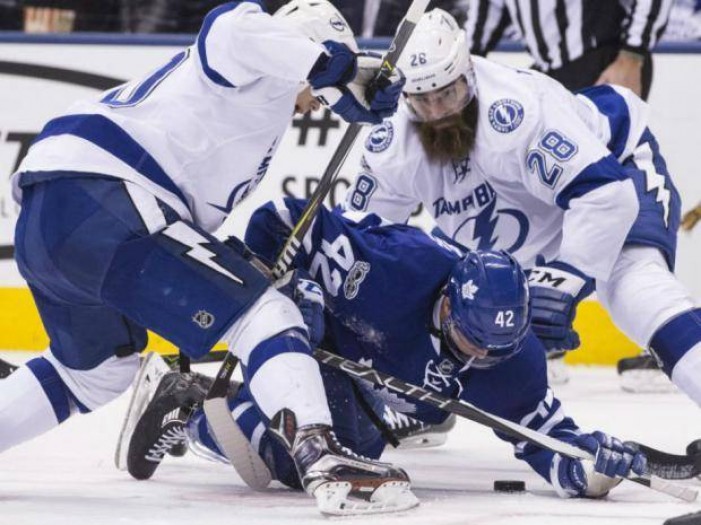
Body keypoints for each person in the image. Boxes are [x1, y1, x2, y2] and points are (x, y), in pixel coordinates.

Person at [0, 0, 412, 516]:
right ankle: (324, 459)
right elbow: (231, 25)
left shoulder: (246, 105)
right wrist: (333, 68)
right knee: (266, 313)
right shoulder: (248, 68)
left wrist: (349, 75)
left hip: (54, 217)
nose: (320, 105)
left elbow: (176, 220)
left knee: (94, 372)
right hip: (104, 196)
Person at [122, 198, 647, 507]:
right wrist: (282, 290)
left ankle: (210, 404)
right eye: (470, 341)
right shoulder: (393, 269)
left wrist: (590, 469)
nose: (476, 358)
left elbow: (548, 439)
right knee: (291, 462)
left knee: (356, 456)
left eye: (491, 353)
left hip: (370, 375)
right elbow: (284, 217)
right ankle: (189, 404)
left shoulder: (514, 362)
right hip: (323, 333)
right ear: (447, 305)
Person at [343, 9, 701, 401]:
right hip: (526, 211)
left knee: (633, 289)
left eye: (448, 93)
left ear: (469, 75)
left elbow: (605, 195)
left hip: (617, 170)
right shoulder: (391, 139)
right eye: (422, 101)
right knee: (434, 290)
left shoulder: (518, 111)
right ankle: (425, 404)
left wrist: (565, 279)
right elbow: (364, 242)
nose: (437, 113)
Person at [464, 0, 673, 100]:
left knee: (601, 176)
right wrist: (461, 66)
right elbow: (488, 11)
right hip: (550, 73)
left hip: (603, 62)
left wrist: (631, 55)